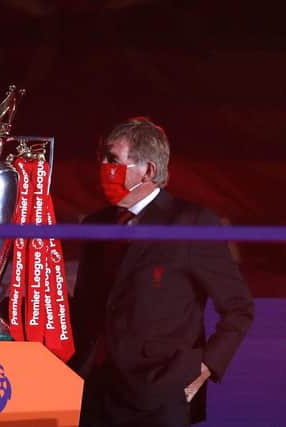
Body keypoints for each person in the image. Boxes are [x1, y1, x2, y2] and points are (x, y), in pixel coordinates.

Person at [68, 117, 254, 427]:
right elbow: (88, 304)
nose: (101, 166)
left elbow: (239, 309)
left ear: (149, 171)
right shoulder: (95, 225)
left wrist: (204, 368)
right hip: (95, 393)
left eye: (112, 159)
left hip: (159, 395)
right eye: (100, 157)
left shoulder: (191, 223)